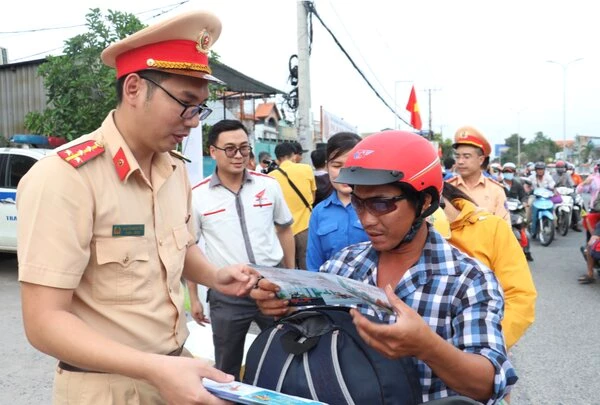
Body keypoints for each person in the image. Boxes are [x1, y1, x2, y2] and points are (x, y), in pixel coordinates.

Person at [16, 11, 260, 405]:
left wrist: (216, 276)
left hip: (177, 370)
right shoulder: (66, 178)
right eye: (185, 103)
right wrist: (154, 369)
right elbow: (44, 323)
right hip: (106, 388)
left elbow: (177, 247)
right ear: (133, 88)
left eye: (200, 108)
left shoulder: (174, 170)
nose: (194, 122)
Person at [252, 130, 517, 404]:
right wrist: (283, 304)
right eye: (358, 203)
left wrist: (428, 347)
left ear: (424, 202)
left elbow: (488, 384)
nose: (366, 220)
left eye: (381, 204)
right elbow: (310, 320)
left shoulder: (468, 280)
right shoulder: (343, 265)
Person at [189, 119, 295, 380]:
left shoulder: (268, 186)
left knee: (286, 353)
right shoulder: (197, 195)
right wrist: (193, 297)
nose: (238, 155)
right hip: (227, 292)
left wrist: (291, 277)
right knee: (227, 365)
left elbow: (284, 229)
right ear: (212, 151)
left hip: (273, 284)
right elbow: (188, 248)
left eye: (244, 148)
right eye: (230, 149)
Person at [437, 182, 537, 349]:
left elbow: (519, 296)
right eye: (458, 155)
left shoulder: (492, 226)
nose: (461, 161)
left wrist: (489, 343)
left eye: (466, 155)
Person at [306, 132, 369, 271]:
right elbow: (314, 265)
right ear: (327, 166)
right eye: (337, 165)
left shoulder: (378, 208)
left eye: (352, 166)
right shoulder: (319, 212)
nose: (345, 173)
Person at [447, 126, 510, 224]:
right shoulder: (447, 188)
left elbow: (505, 229)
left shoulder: (495, 190)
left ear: (481, 160)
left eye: (466, 157)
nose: (460, 161)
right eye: (457, 156)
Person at [270, 142, 316, 269]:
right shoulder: (306, 169)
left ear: (277, 159)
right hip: (305, 227)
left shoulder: (270, 177)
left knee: (288, 271)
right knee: (308, 269)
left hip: (282, 230)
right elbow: (312, 197)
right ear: (294, 156)